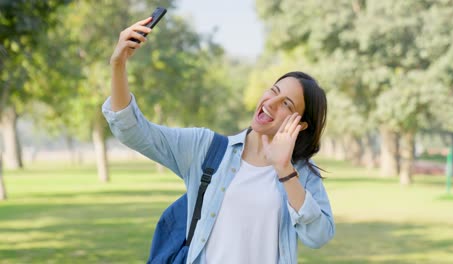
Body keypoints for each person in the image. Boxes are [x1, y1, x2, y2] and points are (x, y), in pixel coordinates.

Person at [102, 17, 335, 264]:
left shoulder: (302, 175)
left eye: (286, 104)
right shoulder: (206, 149)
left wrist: (285, 170)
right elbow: (133, 131)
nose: (271, 103)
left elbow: (318, 236)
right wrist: (118, 65)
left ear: (300, 125)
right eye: (273, 91)